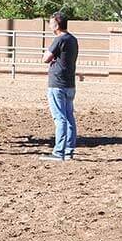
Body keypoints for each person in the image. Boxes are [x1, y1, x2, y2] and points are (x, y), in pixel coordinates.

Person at [41, 11, 79, 162]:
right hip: (70, 84)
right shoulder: (73, 39)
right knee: (69, 117)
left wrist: (50, 58)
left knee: (60, 118)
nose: (50, 25)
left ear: (56, 24)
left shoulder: (59, 39)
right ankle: (69, 151)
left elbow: (46, 58)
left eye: (51, 22)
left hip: (57, 83)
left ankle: (58, 152)